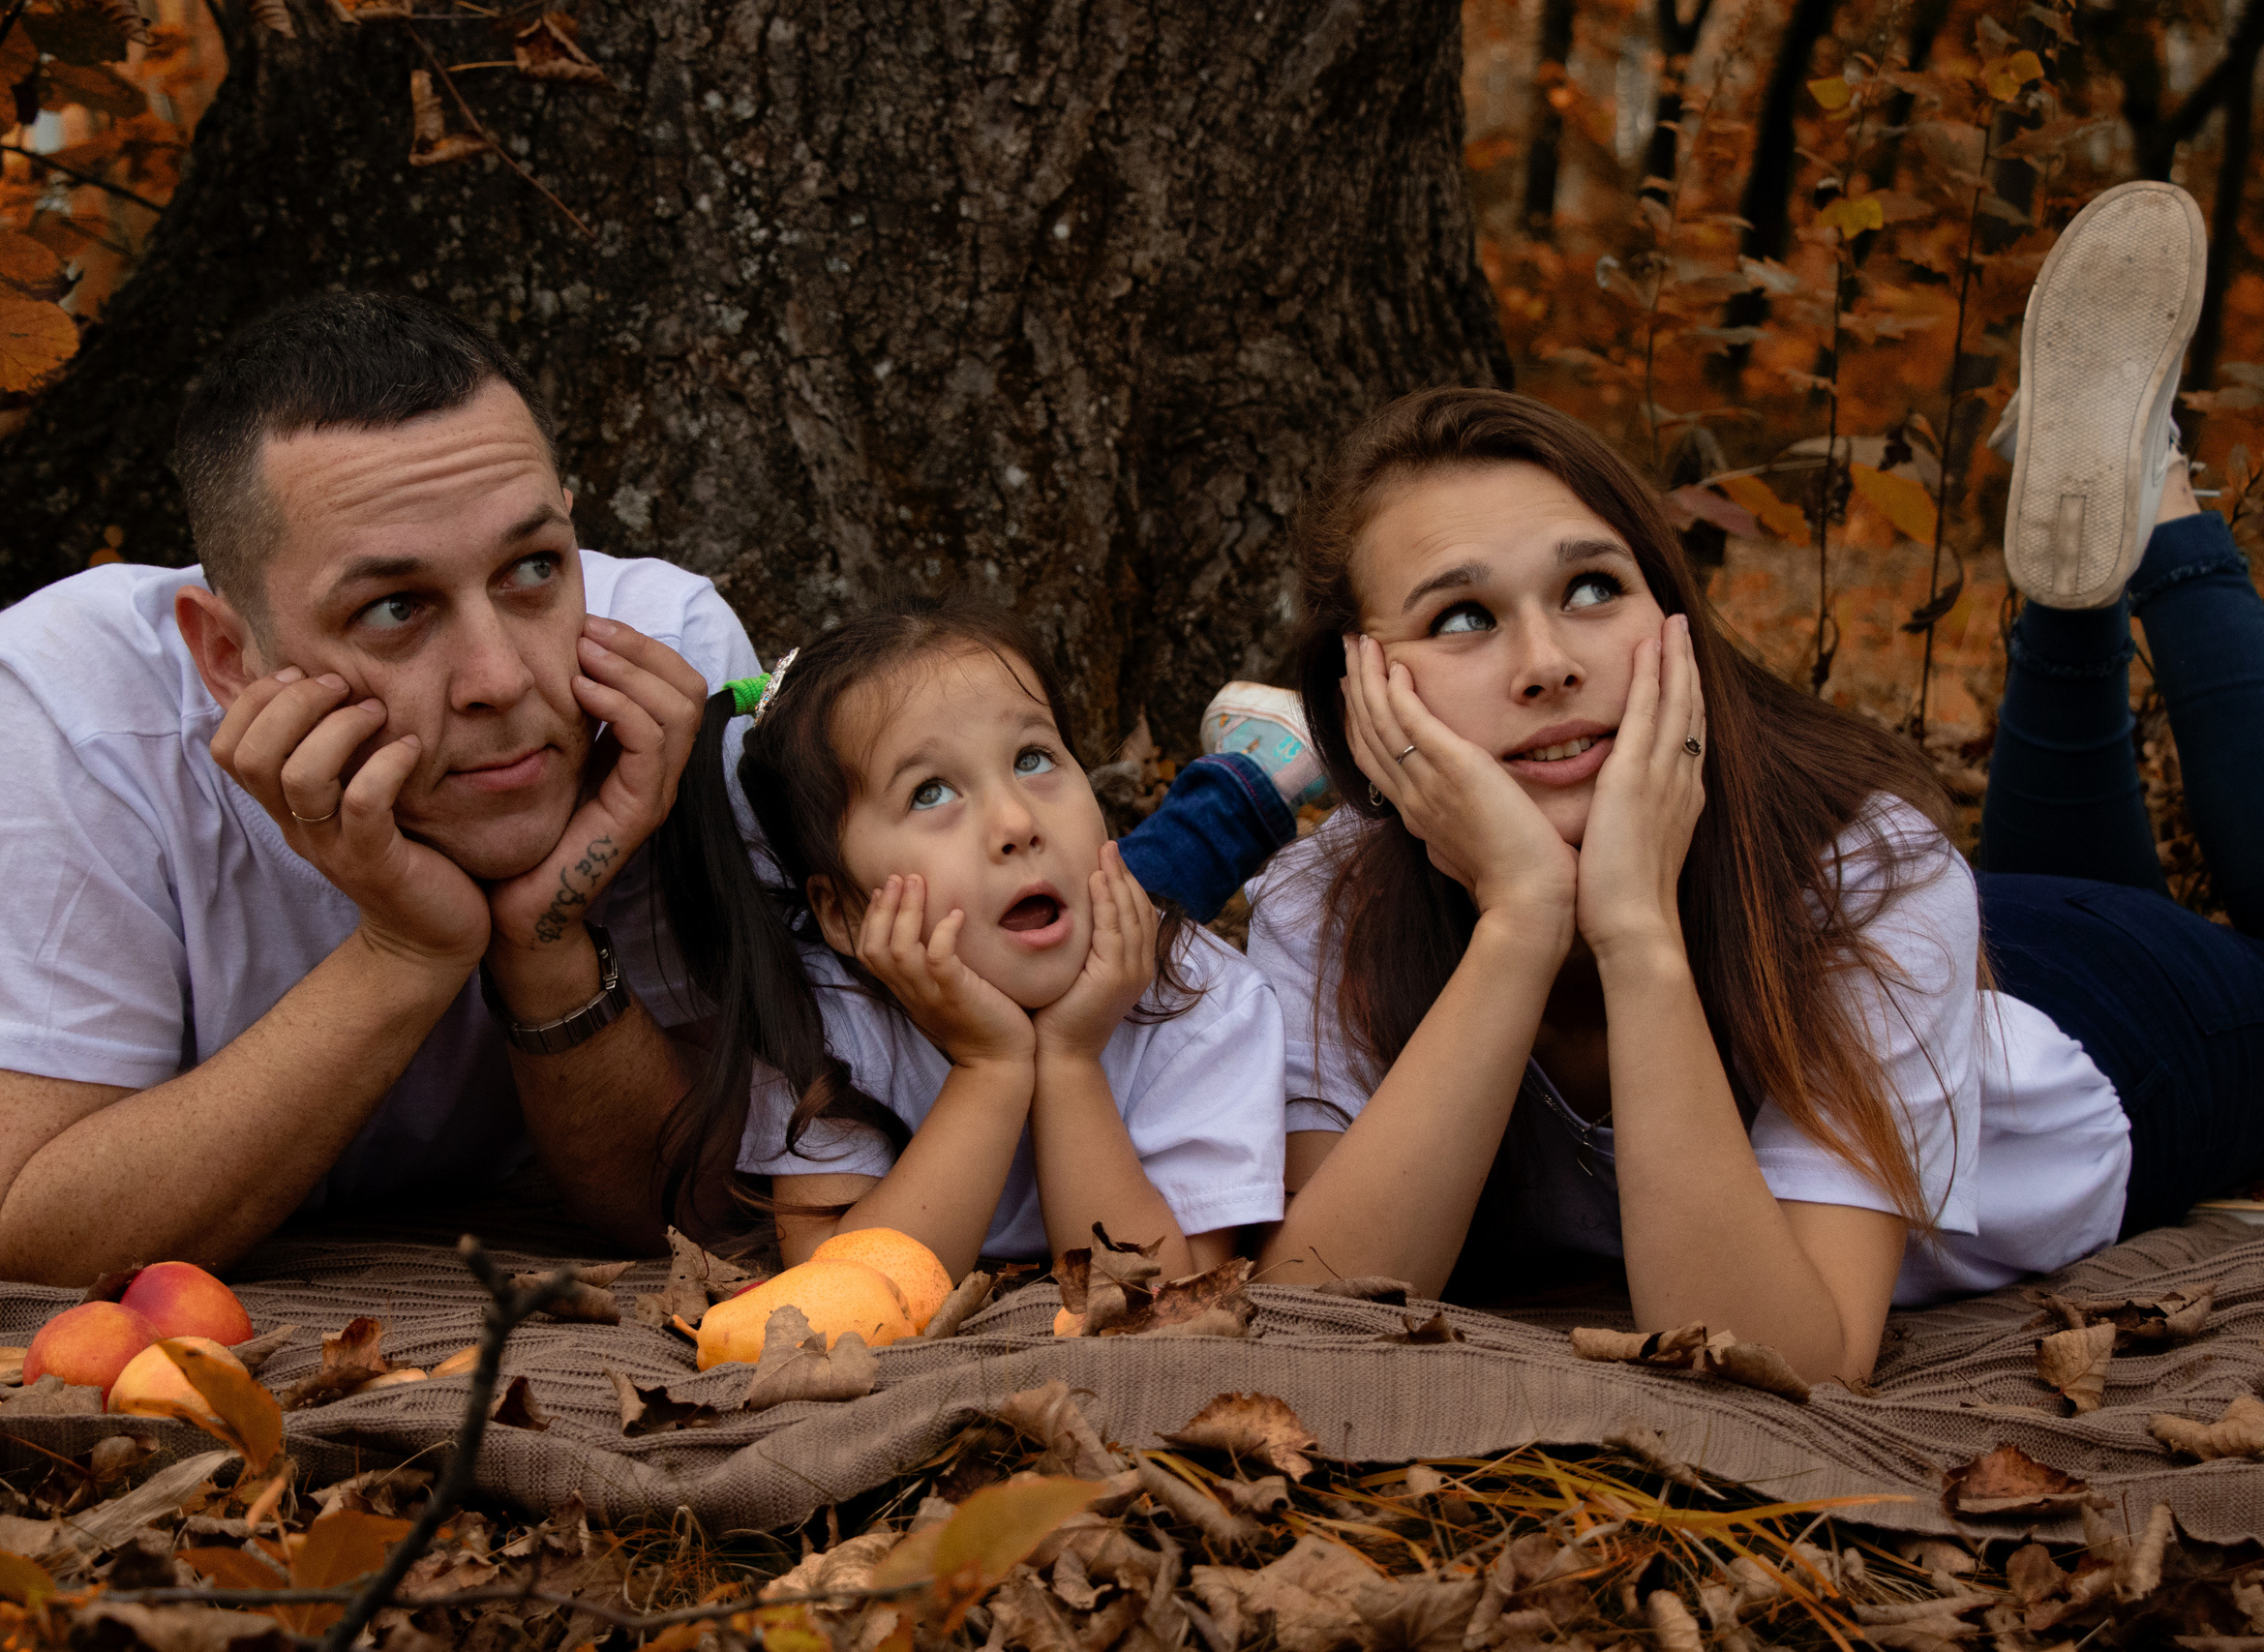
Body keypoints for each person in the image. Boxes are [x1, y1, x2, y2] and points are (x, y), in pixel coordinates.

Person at [1247, 180, 2264, 1385]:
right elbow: (1317, 1313)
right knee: (2031, 875)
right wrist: (1521, 921)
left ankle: (2161, 512)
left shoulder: (1872, 870)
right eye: (1461, 616)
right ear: (1359, 688)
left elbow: (1793, 1360)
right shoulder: (1324, 909)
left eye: (1590, 587)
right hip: (1951, 954)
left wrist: (1631, 929)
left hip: (2114, 1028)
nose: (1549, 664)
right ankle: (2076, 583)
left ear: (1673, 621)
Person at [0, 293, 739, 1282]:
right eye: (395, 609)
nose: (500, 679)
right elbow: (30, 1229)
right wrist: (405, 948)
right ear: (232, 658)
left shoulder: (661, 680)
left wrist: (546, 939)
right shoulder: (50, 701)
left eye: (533, 566)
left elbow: (698, 1203)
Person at [652, 595, 1290, 1279]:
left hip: (1106, 909)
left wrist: (1072, 1061)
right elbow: (841, 1290)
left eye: (1034, 756)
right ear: (843, 914)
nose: (1016, 819)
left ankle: (1250, 780)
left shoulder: (1204, 1004)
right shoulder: (827, 1012)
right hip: (1028, 912)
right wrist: (990, 1066)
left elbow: (1171, 1294)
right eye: (930, 792)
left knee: (1146, 877)